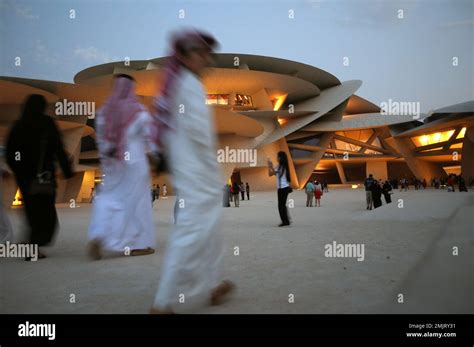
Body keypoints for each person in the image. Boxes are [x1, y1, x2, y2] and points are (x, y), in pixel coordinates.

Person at [150, 30, 234, 314]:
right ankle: (163, 301)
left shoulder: (176, 85)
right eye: (200, 53)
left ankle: (213, 284)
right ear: (186, 56)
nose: (205, 59)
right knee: (192, 231)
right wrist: (214, 169)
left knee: (208, 228)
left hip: (189, 169)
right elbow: (201, 134)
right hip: (199, 171)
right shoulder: (190, 85)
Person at [87, 74, 155, 260]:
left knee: (108, 198)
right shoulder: (139, 112)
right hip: (135, 162)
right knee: (134, 203)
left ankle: (98, 234)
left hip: (111, 162)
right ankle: (137, 244)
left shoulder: (103, 112)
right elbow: (150, 138)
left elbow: (101, 139)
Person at [6, 94, 73, 260]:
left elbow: (10, 152)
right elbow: (58, 148)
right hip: (44, 175)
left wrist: (19, 170)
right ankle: (34, 245)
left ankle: (31, 243)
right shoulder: (47, 123)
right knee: (46, 211)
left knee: (31, 210)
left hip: (25, 177)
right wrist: (66, 170)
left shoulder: (18, 125)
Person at [268, 151, 292, 226]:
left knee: (281, 206)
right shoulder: (280, 165)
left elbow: (274, 172)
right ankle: (286, 220)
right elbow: (270, 174)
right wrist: (269, 166)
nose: (277, 158)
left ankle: (285, 221)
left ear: (281, 158)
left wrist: (270, 165)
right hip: (283, 188)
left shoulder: (282, 166)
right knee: (282, 205)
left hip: (283, 188)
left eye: (278, 156)